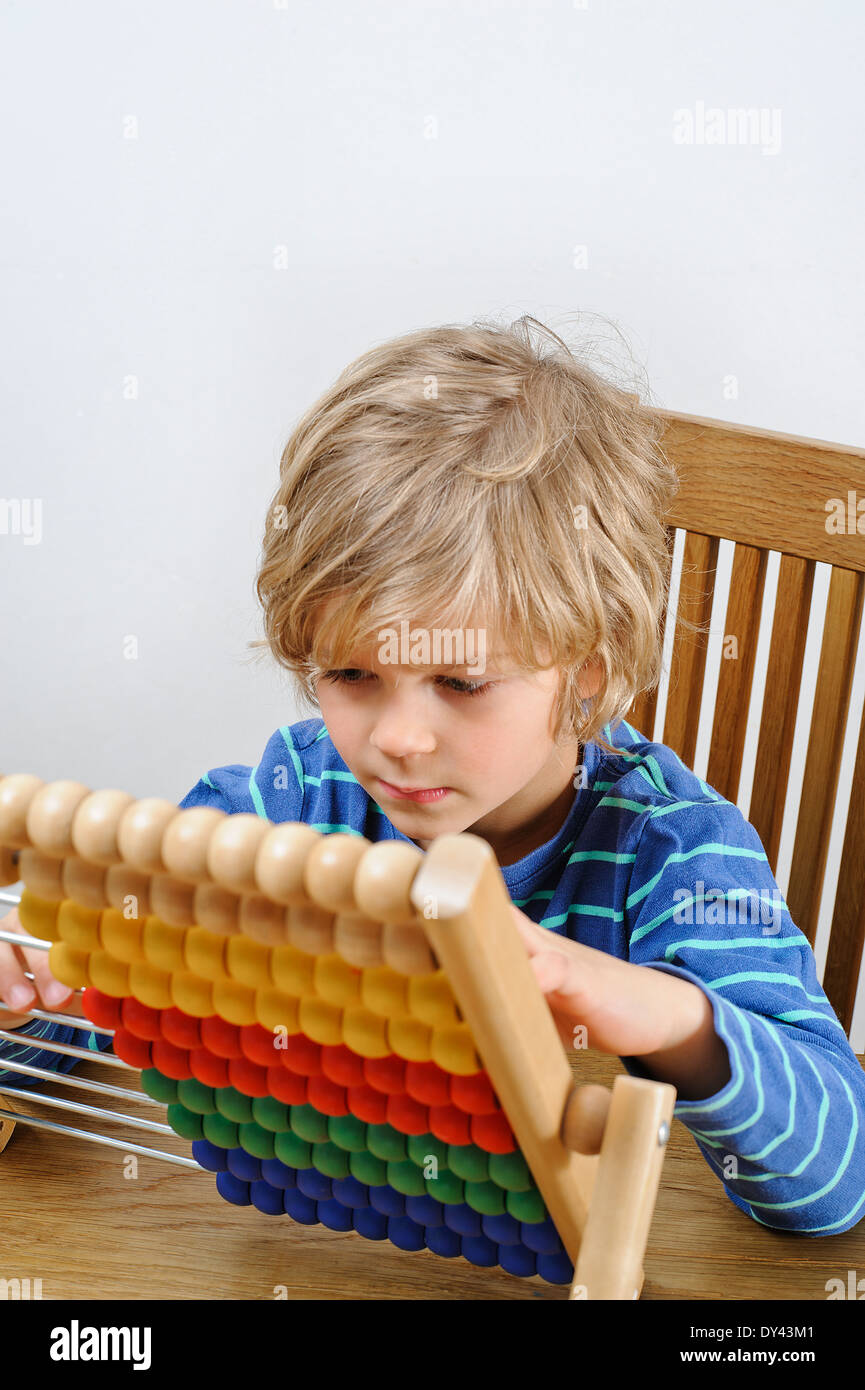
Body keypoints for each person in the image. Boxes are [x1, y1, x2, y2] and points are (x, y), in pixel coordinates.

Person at [3, 315, 864, 1239]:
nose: (399, 739)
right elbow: (97, 1015)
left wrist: (661, 1016)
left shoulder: (672, 854)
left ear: (588, 669)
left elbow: (835, 1185)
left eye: (461, 682)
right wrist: (30, 996)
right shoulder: (288, 804)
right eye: (350, 675)